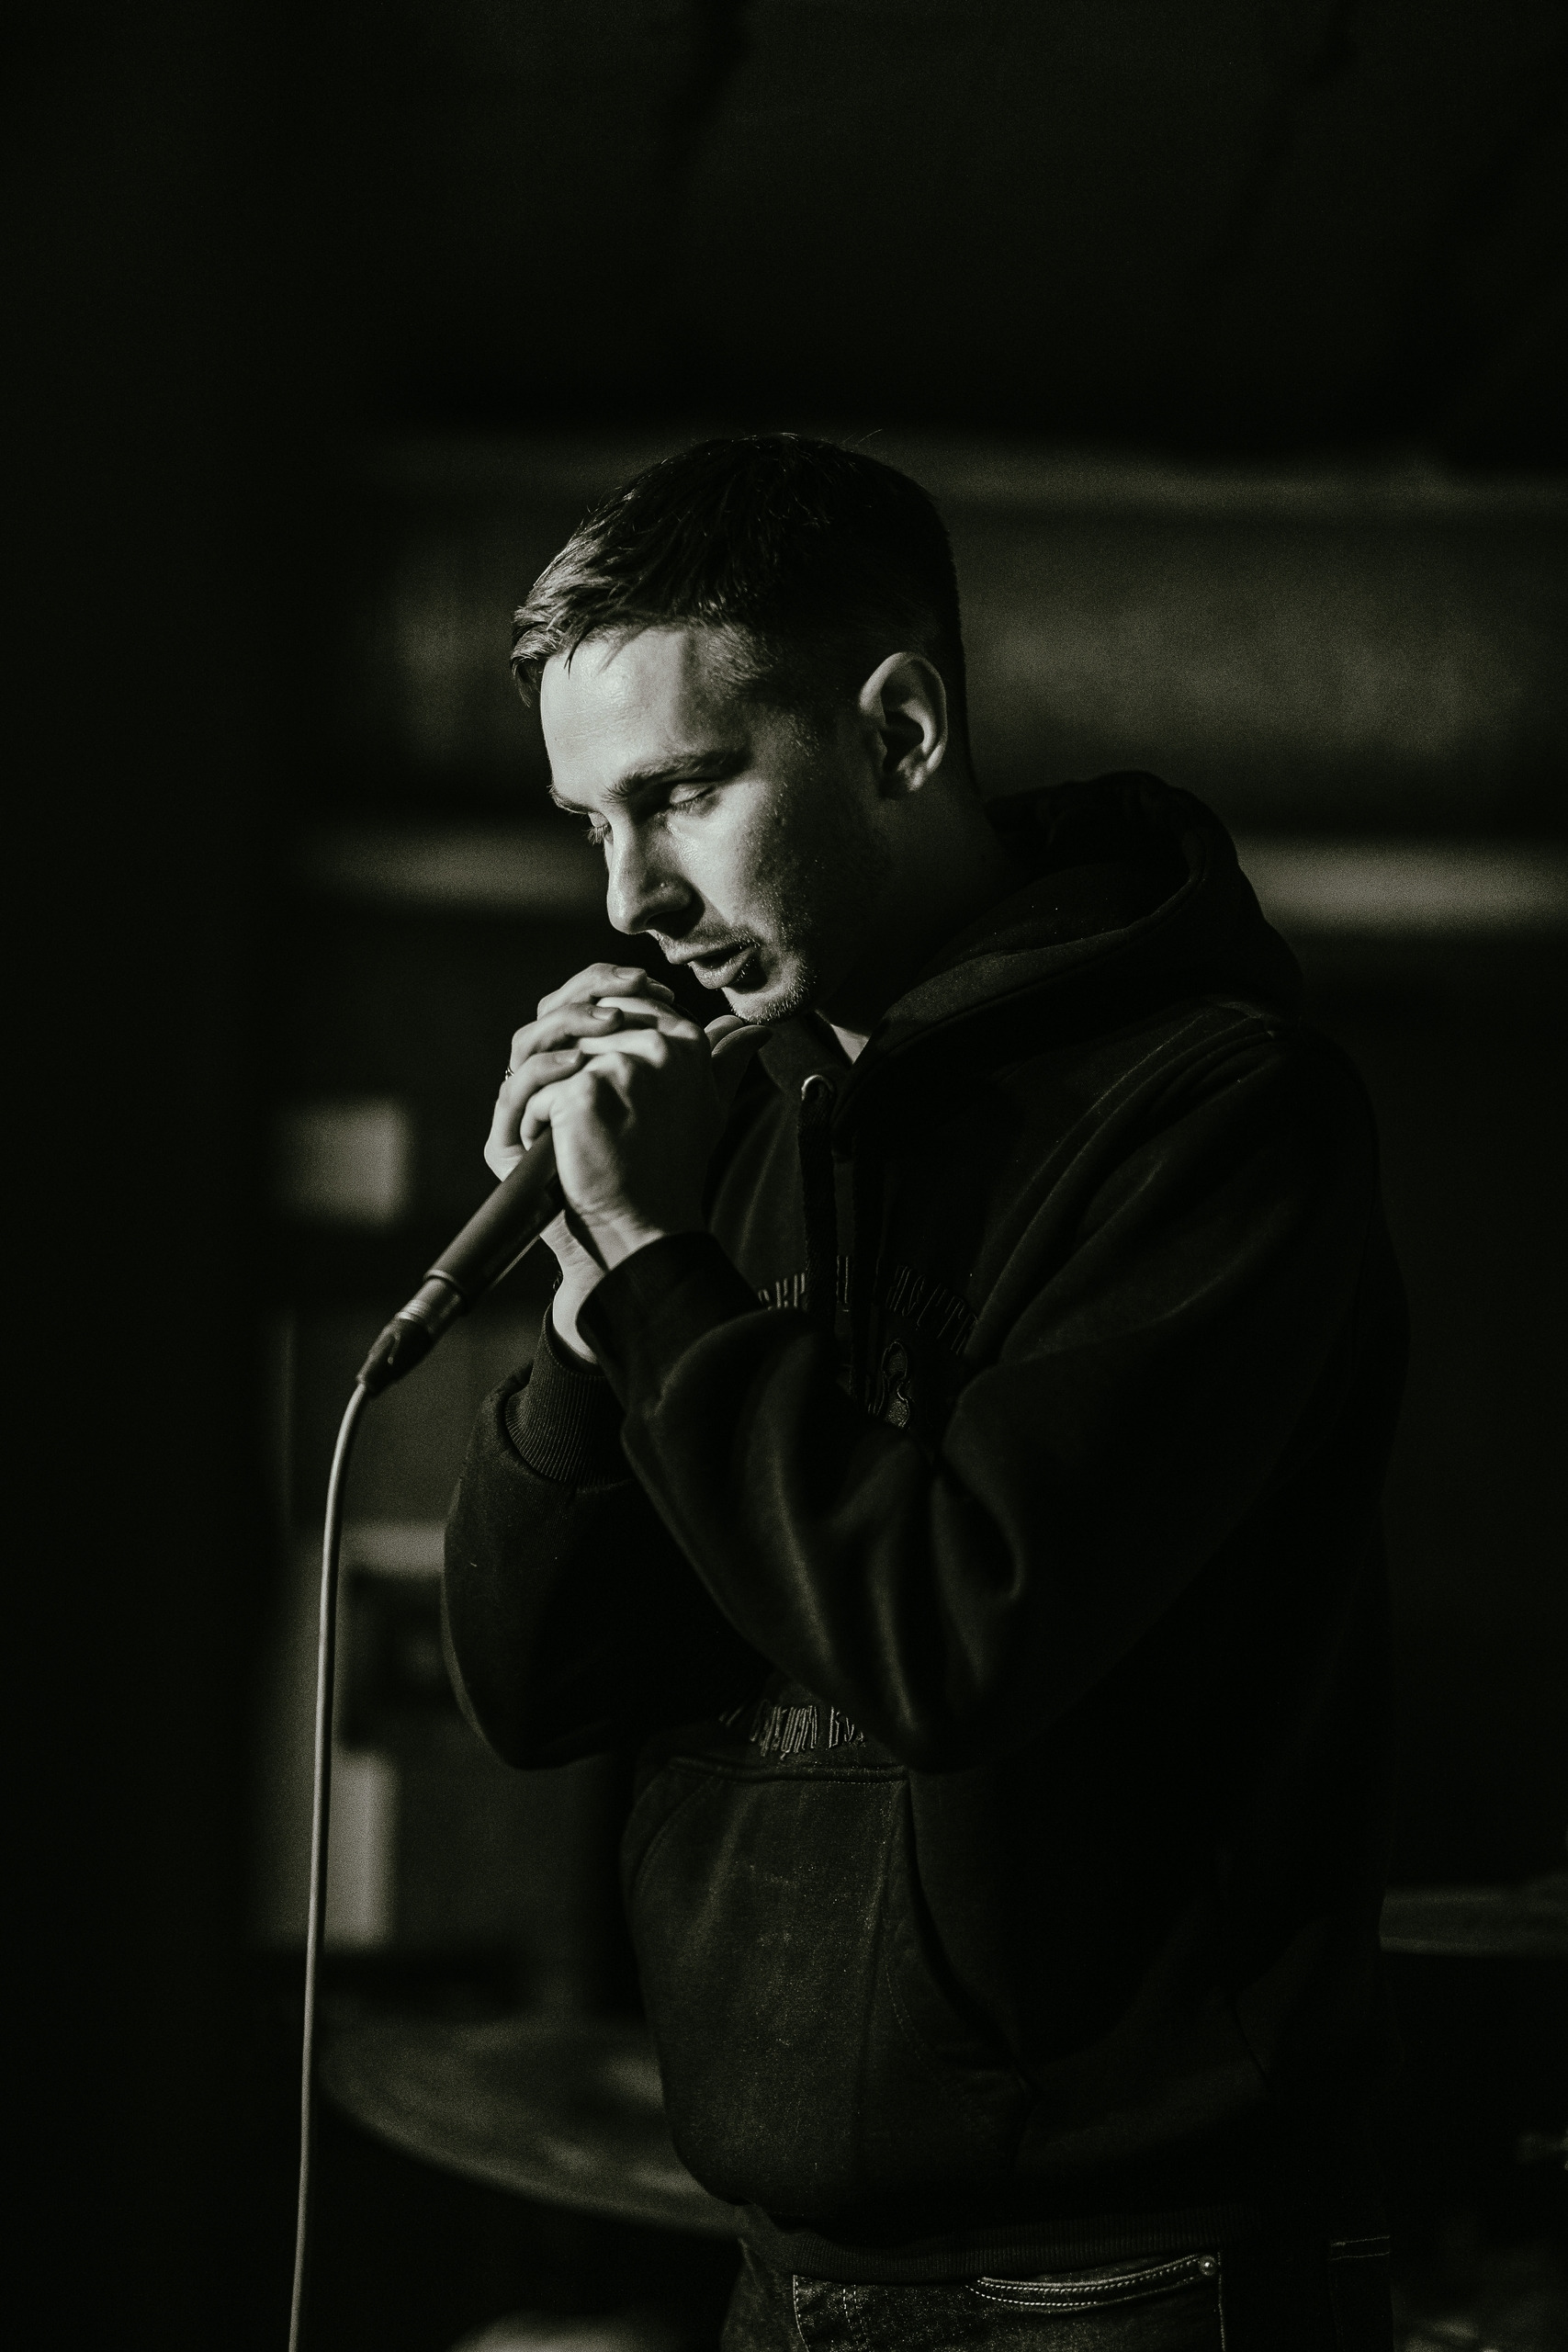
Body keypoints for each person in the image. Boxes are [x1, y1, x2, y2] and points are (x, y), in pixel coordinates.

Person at [443, 435, 1408, 2349]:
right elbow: (531, 1679)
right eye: (589, 821)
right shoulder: (727, 1122)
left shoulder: (1212, 1113)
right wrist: (588, 1295)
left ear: (896, 731)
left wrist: (659, 1269)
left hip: (1119, 2277)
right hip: (786, 2266)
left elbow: (956, 1635)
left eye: (682, 793)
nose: (627, 894)